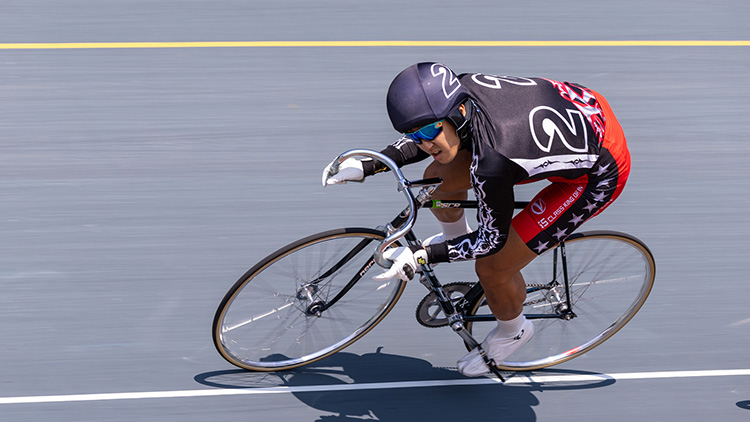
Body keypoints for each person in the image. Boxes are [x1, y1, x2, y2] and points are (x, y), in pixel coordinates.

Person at [322, 62, 630, 377]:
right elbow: (424, 133)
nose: (425, 144)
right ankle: (456, 234)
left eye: (430, 132)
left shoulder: (492, 163)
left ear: (458, 114)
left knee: (492, 267)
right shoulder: (458, 89)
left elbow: (491, 240)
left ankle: (514, 332)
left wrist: (423, 255)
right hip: (580, 108)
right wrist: (370, 165)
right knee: (437, 180)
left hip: (597, 172)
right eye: (414, 135)